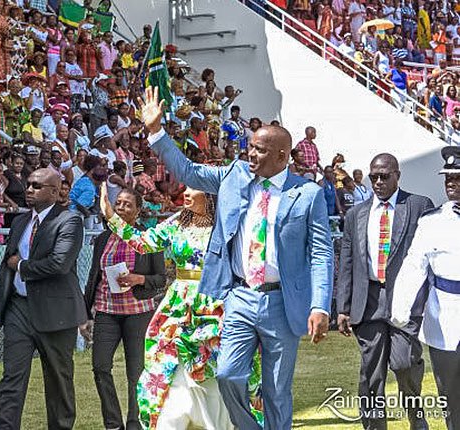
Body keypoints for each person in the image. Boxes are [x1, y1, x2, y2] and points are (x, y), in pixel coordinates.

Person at [140, 86, 333, 429]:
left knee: (276, 391)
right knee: (228, 374)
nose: (250, 155)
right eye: (250, 148)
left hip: (282, 301)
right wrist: (157, 131)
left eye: (259, 150)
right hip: (239, 296)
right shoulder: (233, 175)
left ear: (282, 155)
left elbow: (320, 253)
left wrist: (320, 305)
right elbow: (187, 171)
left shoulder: (307, 194)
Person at [101, 183, 263, 429]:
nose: (185, 194)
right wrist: (111, 216)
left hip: (216, 302)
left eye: (193, 189)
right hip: (178, 305)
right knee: (167, 362)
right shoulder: (178, 222)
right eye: (185, 188)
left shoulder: (229, 224)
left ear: (210, 194)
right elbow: (144, 243)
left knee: (216, 364)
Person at [336, 153, 434, 430]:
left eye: (384, 176)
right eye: (374, 177)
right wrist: (343, 308)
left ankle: (416, 417)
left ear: (397, 175)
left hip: (405, 301)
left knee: (404, 364)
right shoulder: (356, 214)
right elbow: (347, 261)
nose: (378, 182)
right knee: (371, 372)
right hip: (367, 301)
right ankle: (374, 426)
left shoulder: (417, 205)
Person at [0, 168, 86, 430]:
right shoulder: (20, 222)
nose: (29, 189)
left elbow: (59, 265)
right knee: (11, 378)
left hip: (56, 312)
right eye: (28, 184)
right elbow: (4, 269)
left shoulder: (69, 221)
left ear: (55, 191)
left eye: (37, 186)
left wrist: (22, 266)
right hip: (19, 308)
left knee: (58, 381)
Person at [82, 187, 166, 430]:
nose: (121, 208)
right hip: (107, 311)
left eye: (128, 205)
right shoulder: (102, 238)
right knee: (100, 366)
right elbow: (93, 277)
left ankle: (134, 423)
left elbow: (160, 278)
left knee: (136, 373)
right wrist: (86, 314)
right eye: (118, 203)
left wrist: (139, 279)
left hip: (138, 312)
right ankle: (112, 423)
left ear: (137, 211)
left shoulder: (148, 238)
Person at [391, 146, 460, 430]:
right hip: (445, 320)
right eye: (448, 178)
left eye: (458, 177)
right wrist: (400, 310)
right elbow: (413, 266)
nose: (451, 183)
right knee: (451, 395)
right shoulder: (431, 221)